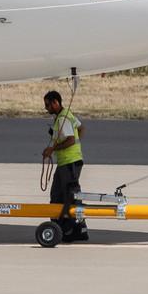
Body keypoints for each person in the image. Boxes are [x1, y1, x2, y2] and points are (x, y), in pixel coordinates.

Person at [42, 89, 86, 241]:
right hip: (67, 162)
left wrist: (53, 149)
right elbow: (80, 128)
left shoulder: (62, 119)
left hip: (70, 163)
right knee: (59, 195)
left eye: (48, 105)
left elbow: (71, 140)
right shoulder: (67, 114)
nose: (46, 108)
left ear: (55, 102)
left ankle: (76, 229)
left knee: (69, 197)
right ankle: (63, 227)